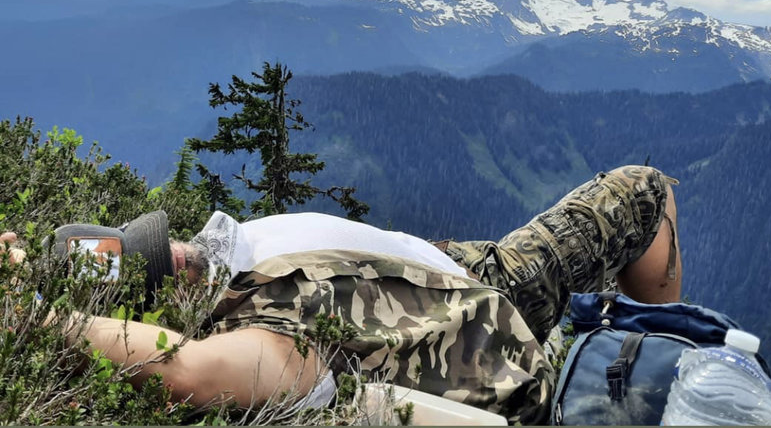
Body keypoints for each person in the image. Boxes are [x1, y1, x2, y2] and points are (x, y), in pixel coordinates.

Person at [6, 165, 681, 424]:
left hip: (462, 274)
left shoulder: (233, 252)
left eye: (158, 244)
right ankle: (641, 368)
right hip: (486, 341)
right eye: (164, 271)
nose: (178, 255)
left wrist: (28, 260)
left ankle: (654, 338)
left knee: (643, 190)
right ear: (163, 307)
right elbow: (183, 372)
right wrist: (26, 316)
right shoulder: (271, 335)